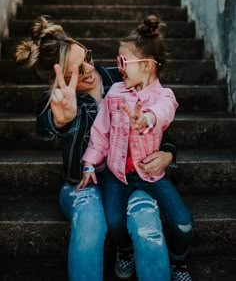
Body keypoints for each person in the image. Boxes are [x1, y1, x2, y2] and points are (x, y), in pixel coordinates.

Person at [14, 15, 176, 281]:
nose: (89, 70)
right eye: (75, 71)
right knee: (90, 222)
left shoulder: (121, 77)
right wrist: (59, 120)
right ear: (60, 78)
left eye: (87, 58)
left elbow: (162, 125)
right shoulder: (57, 100)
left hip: (130, 179)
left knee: (146, 219)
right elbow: (44, 128)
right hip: (82, 185)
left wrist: (168, 155)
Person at [80, 15, 193, 281]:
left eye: (123, 61)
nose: (119, 67)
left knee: (183, 223)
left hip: (151, 175)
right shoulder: (116, 93)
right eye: (118, 61)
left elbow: (163, 113)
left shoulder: (164, 96)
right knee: (115, 223)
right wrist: (88, 162)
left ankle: (179, 261)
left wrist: (147, 119)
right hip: (118, 175)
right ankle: (125, 250)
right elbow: (101, 132)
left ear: (146, 65)